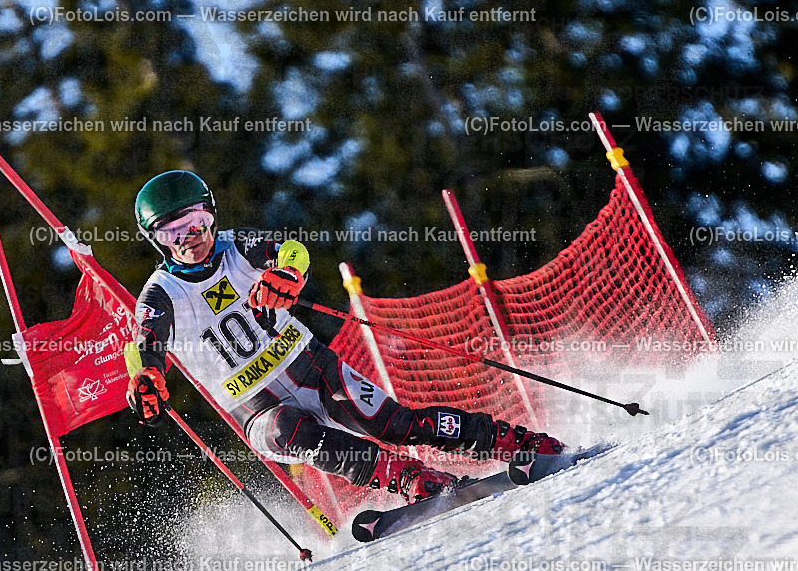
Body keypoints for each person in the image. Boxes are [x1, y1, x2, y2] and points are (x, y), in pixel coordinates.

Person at [126, 170, 565, 504]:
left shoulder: (236, 245)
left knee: (394, 424)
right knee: (291, 432)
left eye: (196, 223)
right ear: (157, 241)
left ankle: (512, 441)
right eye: (172, 233)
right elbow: (144, 341)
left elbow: (292, 250)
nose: (189, 239)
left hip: (311, 366)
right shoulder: (161, 293)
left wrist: (288, 273)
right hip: (254, 408)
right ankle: (409, 477)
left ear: (211, 217)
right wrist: (147, 375)